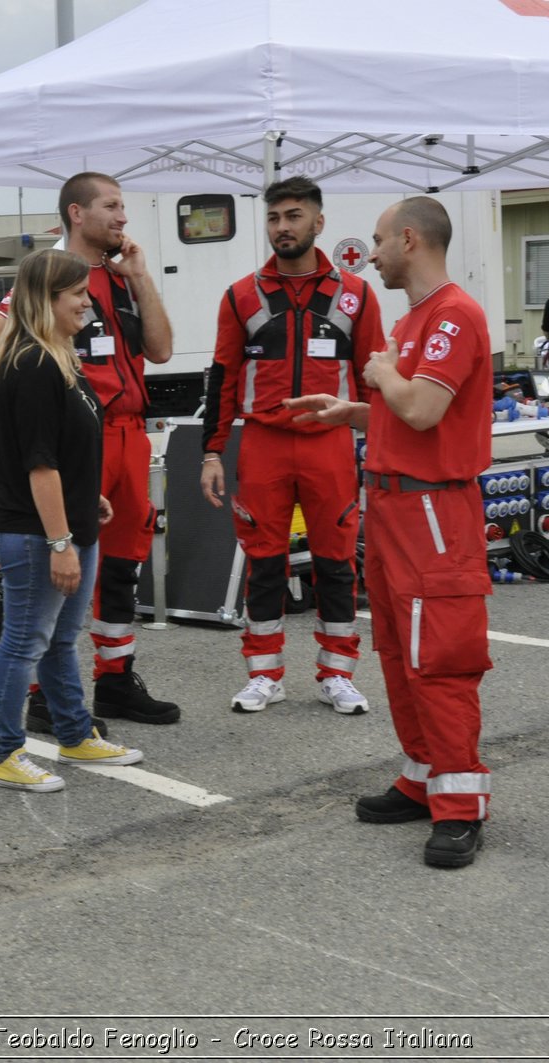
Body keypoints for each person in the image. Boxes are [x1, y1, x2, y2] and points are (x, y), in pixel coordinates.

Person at [285, 196, 494, 870]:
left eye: (377, 241)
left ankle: (461, 803)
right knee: (400, 650)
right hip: (396, 506)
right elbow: (402, 416)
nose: (370, 254)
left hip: (432, 511)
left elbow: (424, 409)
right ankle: (424, 775)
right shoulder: (420, 319)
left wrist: (379, 374)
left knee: (440, 655)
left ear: (410, 238)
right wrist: (351, 410)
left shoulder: (454, 315)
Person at [0, 172, 179, 734]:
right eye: (111, 207)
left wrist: (141, 279)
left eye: (123, 207)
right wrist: (36, 408)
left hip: (131, 435)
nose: (123, 217)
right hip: (85, 436)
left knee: (123, 564)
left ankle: (114, 679)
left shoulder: (120, 275)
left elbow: (160, 349)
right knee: (60, 571)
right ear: (77, 214)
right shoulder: (52, 275)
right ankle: (41, 696)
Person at [200, 176, 381, 716]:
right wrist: (212, 451)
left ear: (318, 222)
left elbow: (373, 375)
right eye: (275, 218)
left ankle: (337, 673)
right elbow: (222, 377)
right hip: (264, 445)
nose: (283, 227)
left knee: (336, 562)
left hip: (330, 444)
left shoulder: (356, 293)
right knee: (264, 562)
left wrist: (380, 441)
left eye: (294, 216)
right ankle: (264, 674)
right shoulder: (242, 295)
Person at [0, 250, 146, 792]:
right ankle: (4, 754)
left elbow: (64, 450)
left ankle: (75, 735)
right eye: (76, 293)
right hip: (35, 533)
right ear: (46, 300)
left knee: (59, 639)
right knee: (24, 642)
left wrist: (87, 498)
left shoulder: (60, 357)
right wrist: (59, 541)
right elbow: (39, 463)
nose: (87, 301)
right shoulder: (30, 364)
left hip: (67, 523)